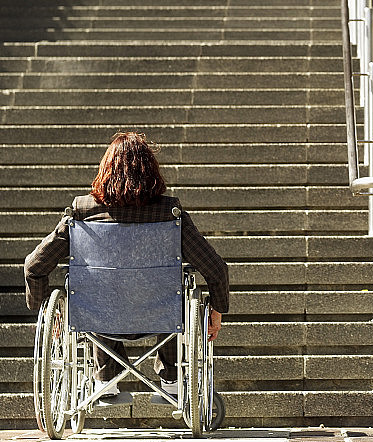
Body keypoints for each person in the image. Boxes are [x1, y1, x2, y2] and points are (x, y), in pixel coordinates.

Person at [24, 131, 229, 404]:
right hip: (160, 315)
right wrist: (216, 311)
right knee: (172, 292)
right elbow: (216, 268)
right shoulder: (169, 212)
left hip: (100, 317)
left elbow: (34, 266)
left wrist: (49, 313)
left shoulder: (82, 211)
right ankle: (171, 378)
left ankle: (105, 377)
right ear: (151, 171)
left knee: (97, 293)